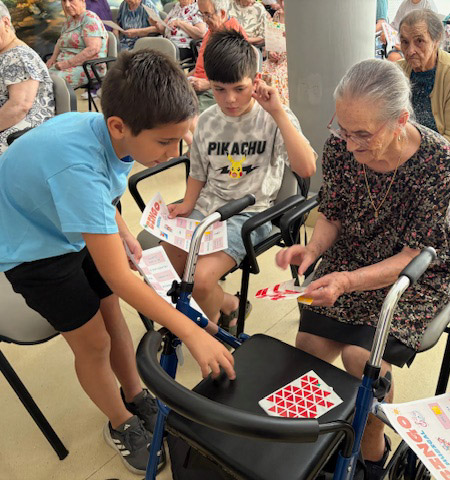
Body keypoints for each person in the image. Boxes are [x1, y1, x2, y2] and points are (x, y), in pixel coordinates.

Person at [0, 50, 235, 474]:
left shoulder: (114, 135)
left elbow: (103, 193)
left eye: (179, 139)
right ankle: (120, 421)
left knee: (112, 315)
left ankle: (135, 394)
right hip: (31, 249)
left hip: (65, 221)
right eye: (164, 142)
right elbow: (121, 278)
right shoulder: (78, 166)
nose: (173, 152)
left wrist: (121, 228)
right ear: (118, 126)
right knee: (93, 342)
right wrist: (192, 331)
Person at [276, 59, 450, 480]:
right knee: (307, 347)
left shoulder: (437, 160)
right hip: (354, 253)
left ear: (400, 121)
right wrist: (313, 250)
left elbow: (415, 252)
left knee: (362, 359)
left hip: (414, 270)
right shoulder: (340, 147)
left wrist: (346, 281)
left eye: (362, 134)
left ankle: (373, 451)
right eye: (342, 129)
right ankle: (326, 440)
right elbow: (333, 213)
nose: (349, 145)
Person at [164, 29, 316, 336]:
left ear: (256, 81)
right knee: (164, 266)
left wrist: (278, 112)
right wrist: (187, 204)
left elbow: (306, 168)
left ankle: (208, 334)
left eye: (239, 88)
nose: (230, 99)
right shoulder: (208, 120)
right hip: (208, 207)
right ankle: (229, 303)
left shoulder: (273, 116)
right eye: (219, 89)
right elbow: (198, 172)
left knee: (201, 280)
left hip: (249, 215)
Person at [397, 9, 450, 151]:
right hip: (404, 146)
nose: (410, 51)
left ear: (436, 40)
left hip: (440, 150)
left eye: (419, 41)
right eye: (405, 42)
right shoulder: (398, 70)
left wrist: (415, 152)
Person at [0, 1, 54, 154]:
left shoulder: (19, 56)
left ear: (5, 23)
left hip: (20, 134)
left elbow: (19, 107)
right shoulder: (5, 52)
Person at [188, 0, 248, 112]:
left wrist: (208, 84)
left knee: (187, 114)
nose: (204, 20)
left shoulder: (233, 35)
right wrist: (183, 79)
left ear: (223, 13)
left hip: (217, 90)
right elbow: (200, 67)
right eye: (202, 14)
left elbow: (236, 77)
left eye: (207, 15)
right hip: (199, 85)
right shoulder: (213, 30)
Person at [45, 0, 108, 89]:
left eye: (71, 0)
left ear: (82, 1)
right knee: (38, 77)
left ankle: (63, 98)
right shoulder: (69, 21)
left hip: (88, 66)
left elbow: (93, 49)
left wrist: (66, 64)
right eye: (64, 1)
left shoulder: (90, 18)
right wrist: (53, 58)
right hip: (64, 64)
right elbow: (60, 41)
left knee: (53, 82)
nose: (67, 5)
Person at [262, 0, 288, 105]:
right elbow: (272, 39)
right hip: (276, 56)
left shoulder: (297, 18)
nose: (282, 3)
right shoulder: (277, 15)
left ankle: (279, 106)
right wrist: (271, 52)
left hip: (290, 58)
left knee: (277, 75)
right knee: (262, 71)